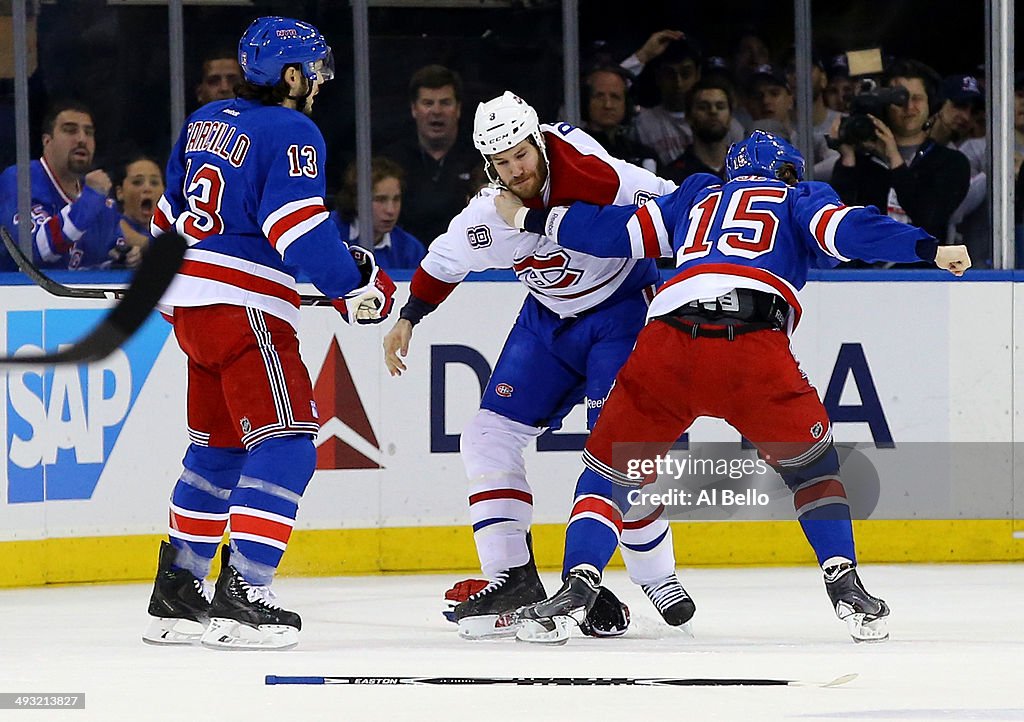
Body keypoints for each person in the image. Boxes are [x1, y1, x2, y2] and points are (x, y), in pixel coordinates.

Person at [493, 130, 970, 644]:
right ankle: (845, 584)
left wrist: (525, 218)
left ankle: (576, 587)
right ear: (784, 171)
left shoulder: (698, 196)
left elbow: (609, 231)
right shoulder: (797, 199)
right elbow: (851, 230)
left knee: (607, 475)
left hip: (666, 343)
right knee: (813, 472)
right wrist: (928, 247)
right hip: (751, 345)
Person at [382, 91, 692, 640]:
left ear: (539, 143)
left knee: (619, 450)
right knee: (484, 436)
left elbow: (678, 209)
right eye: (501, 163)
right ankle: (513, 577)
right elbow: (444, 262)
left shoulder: (595, 172)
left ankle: (655, 574)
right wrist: (409, 316)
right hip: (547, 324)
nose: (516, 169)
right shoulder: (486, 213)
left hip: (620, 315)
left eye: (522, 154)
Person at [142, 16, 396, 651]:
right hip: (247, 309)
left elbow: (167, 220)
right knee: (288, 444)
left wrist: (178, 300)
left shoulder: (204, 122)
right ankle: (245, 591)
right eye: (312, 71)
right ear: (290, 75)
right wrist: (352, 286)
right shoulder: (291, 129)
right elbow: (296, 230)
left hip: (193, 308)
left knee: (219, 448)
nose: (317, 84)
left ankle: (179, 590)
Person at [829, 59, 970, 243]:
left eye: (917, 99)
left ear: (932, 105)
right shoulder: (863, 162)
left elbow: (929, 218)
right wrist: (847, 159)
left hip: (923, 269)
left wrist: (894, 159)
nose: (909, 107)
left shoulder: (951, 162)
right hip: (867, 270)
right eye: (898, 99)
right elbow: (838, 225)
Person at [0, 100, 122, 270]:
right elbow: (33, 251)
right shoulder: (20, 179)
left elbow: (107, 256)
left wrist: (124, 259)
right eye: (70, 130)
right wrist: (89, 200)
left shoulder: (101, 199)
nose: (82, 139)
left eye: (89, 133)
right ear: (47, 141)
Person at [380, 65, 480, 245]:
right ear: (414, 109)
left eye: (445, 102)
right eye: (428, 103)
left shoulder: (479, 158)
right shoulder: (391, 160)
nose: (436, 111)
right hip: (405, 264)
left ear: (458, 109)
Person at [331, 157, 426, 269]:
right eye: (380, 200)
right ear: (356, 200)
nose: (391, 210)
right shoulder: (325, 233)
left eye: (396, 199)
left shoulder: (411, 250)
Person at [580, 64, 658, 172]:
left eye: (615, 97)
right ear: (585, 101)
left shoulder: (644, 155)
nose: (608, 105)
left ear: (627, 103)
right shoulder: (574, 150)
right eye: (599, 96)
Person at [662, 77, 734, 182]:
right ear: (688, 116)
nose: (713, 111)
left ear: (730, 116)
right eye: (703, 107)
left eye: (720, 106)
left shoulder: (746, 170)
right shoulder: (672, 177)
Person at [109, 153, 164, 268]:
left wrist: (145, 245)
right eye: (137, 182)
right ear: (120, 192)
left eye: (154, 183)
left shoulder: (174, 230)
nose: (147, 188)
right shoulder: (107, 226)